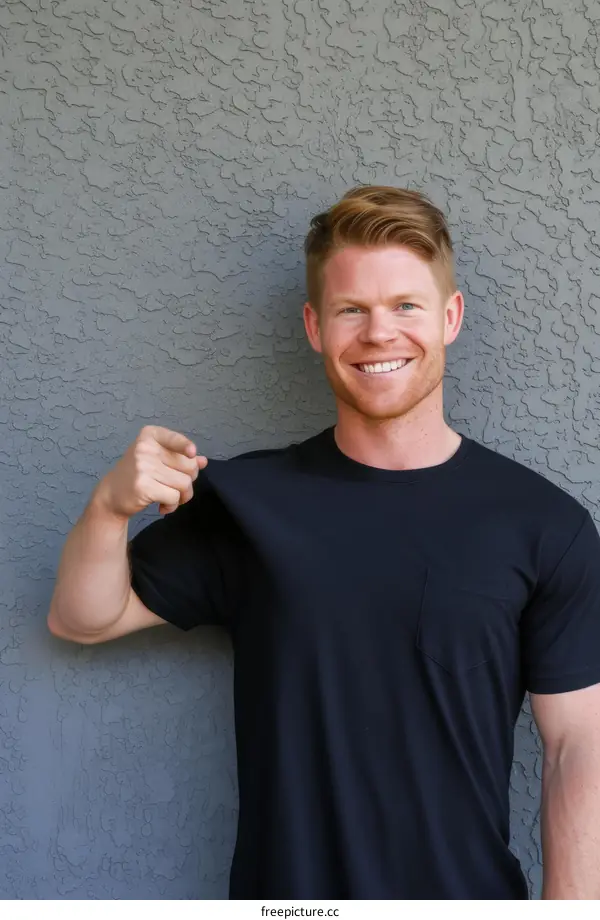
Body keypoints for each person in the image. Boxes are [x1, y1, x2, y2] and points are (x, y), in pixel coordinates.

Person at [48, 186, 600, 900]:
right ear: (315, 326)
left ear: (451, 317)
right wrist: (107, 509)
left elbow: (577, 744)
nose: (379, 333)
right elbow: (83, 618)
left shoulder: (542, 524)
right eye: (351, 310)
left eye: (406, 306)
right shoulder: (251, 503)